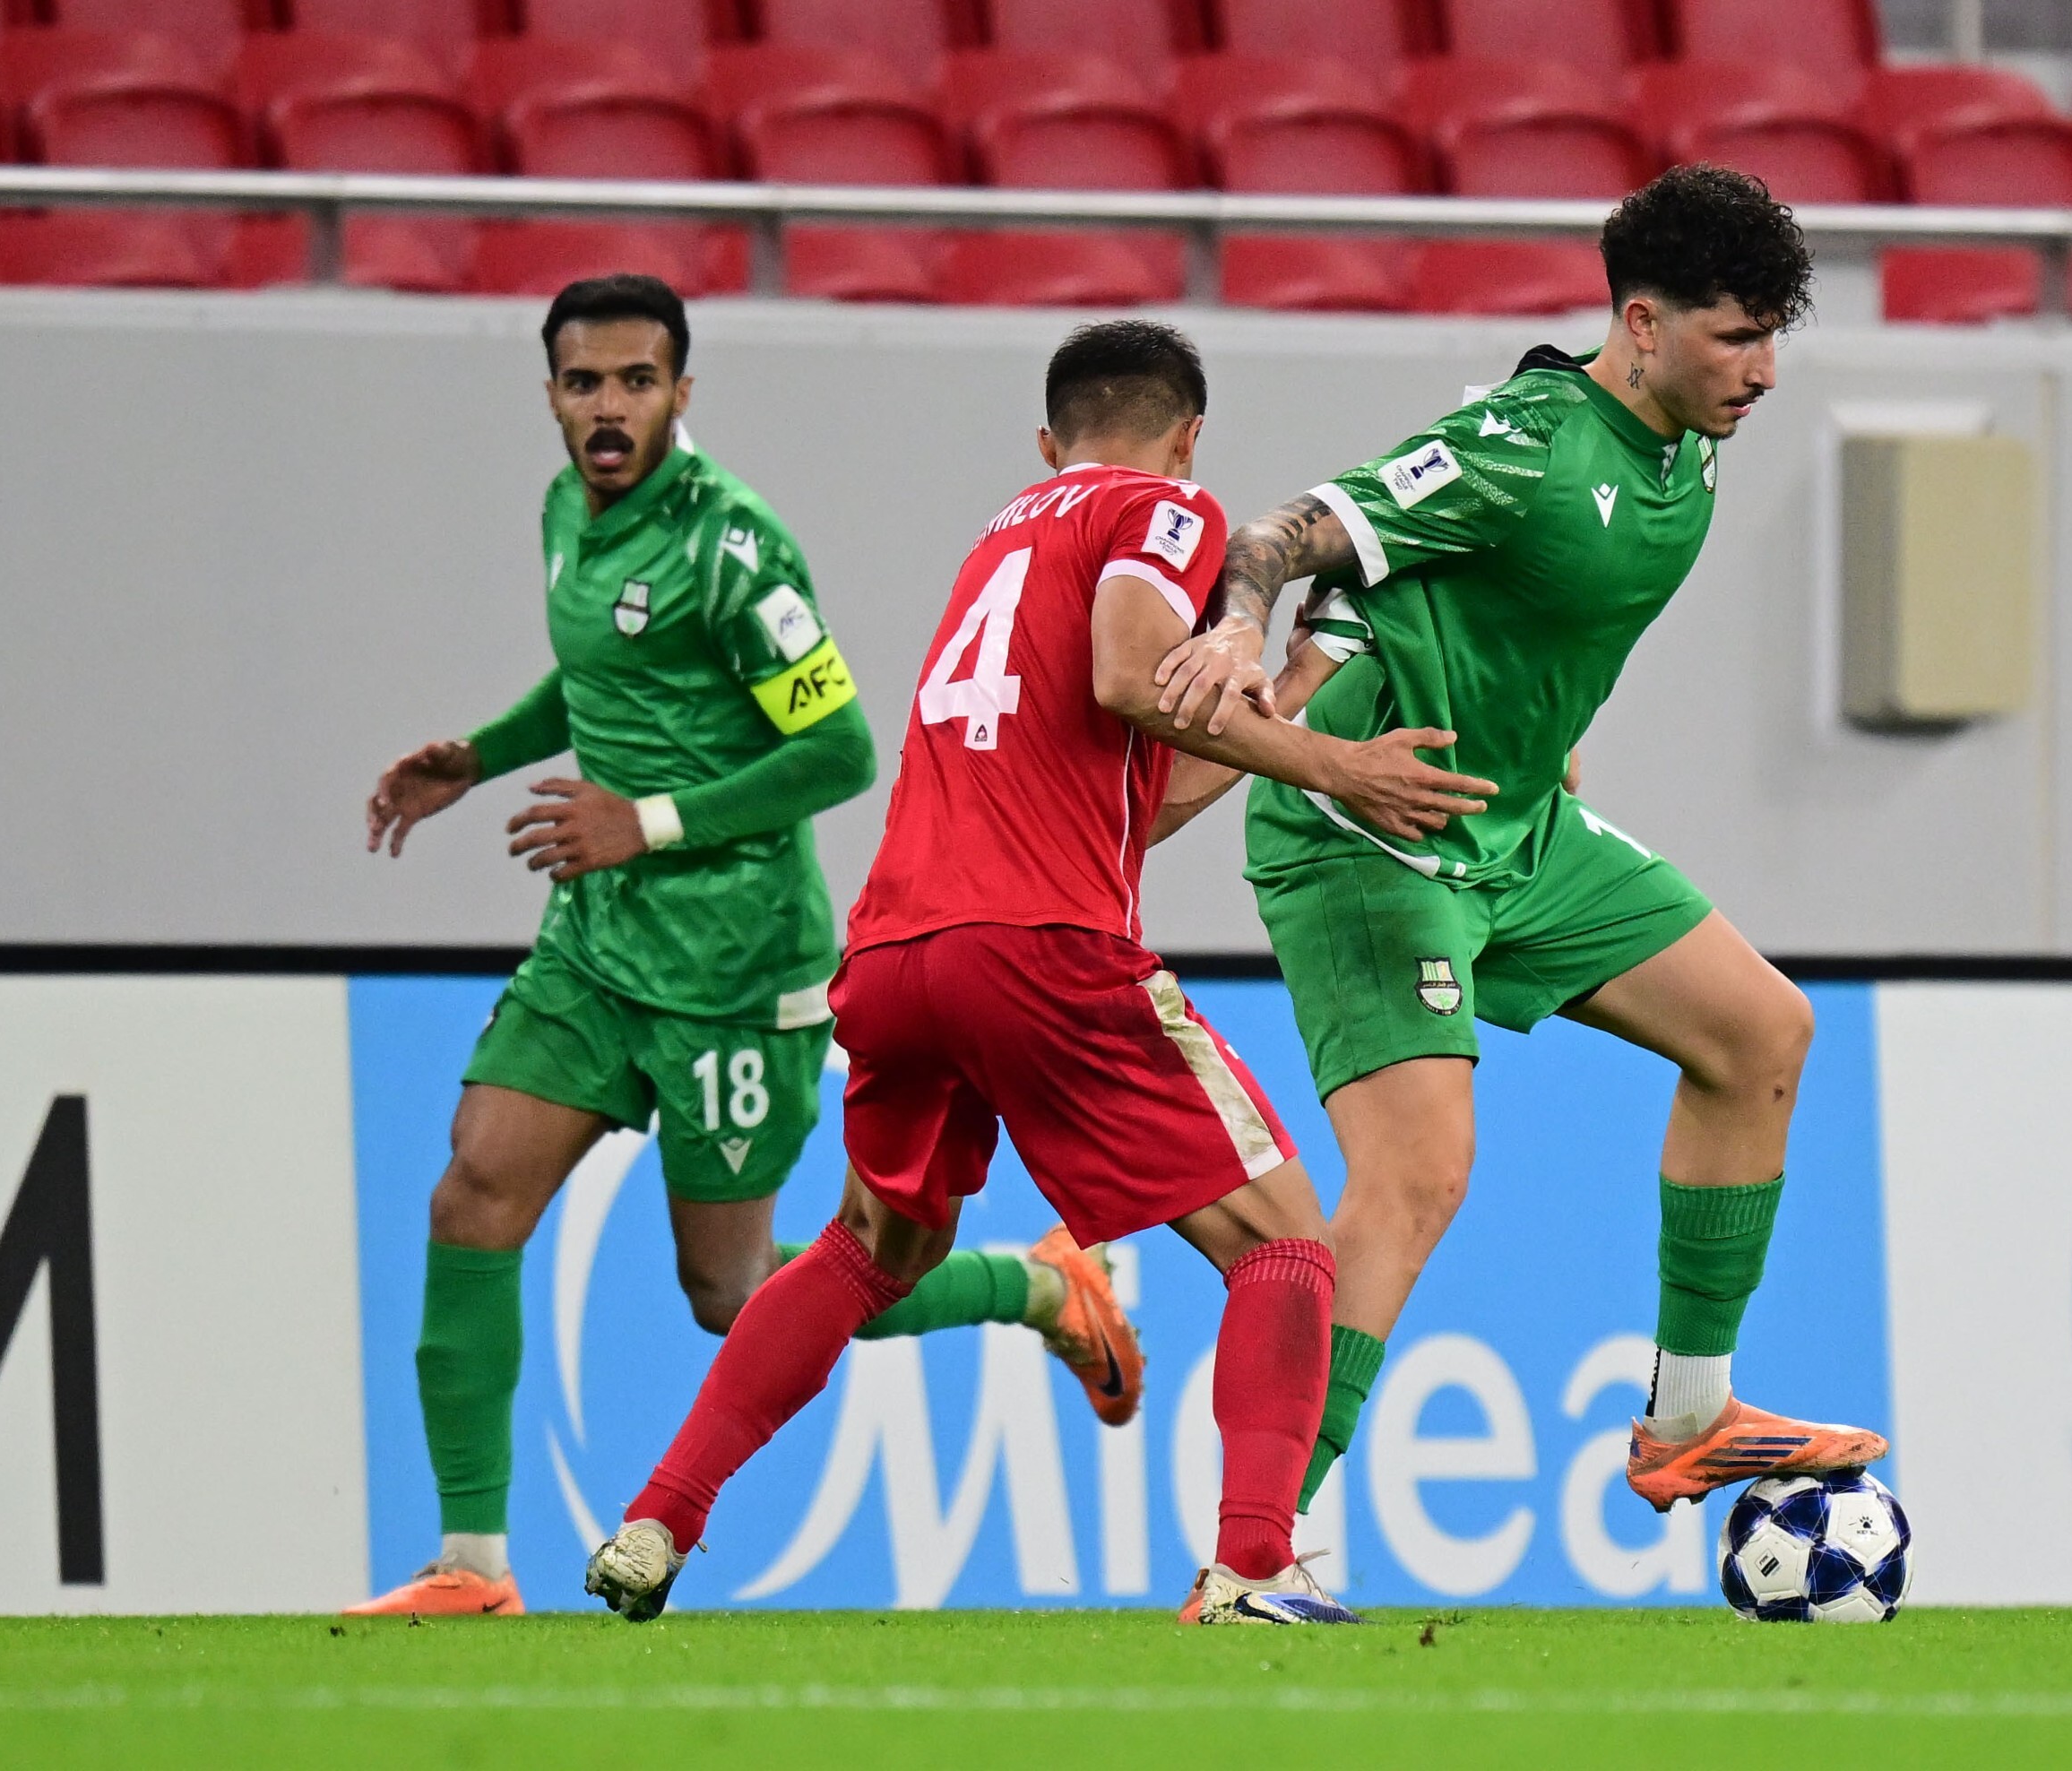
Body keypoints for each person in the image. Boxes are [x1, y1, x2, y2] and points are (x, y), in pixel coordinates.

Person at [580, 320, 1493, 1627]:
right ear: (1189, 437)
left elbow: (1136, 803)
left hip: (898, 950)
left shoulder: (1002, 542)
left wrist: (1289, 695)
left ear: (1047, 439)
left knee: (869, 1248)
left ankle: (658, 1520)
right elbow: (1127, 674)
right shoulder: (1165, 510)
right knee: (1288, 1241)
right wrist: (1339, 767)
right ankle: (1252, 1567)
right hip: (1043, 948)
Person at [352, 275, 1141, 1618]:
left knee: (730, 1291)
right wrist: (480, 756)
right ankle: (472, 1566)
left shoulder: (733, 550)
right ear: (551, 395)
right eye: (585, 383)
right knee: (471, 1197)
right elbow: (605, 678)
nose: (609, 408)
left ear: (681, 392)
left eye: (636, 381)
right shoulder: (565, 515)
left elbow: (838, 751)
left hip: (733, 966)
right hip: (596, 948)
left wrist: (645, 821)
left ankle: (1036, 1287)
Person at [1153, 167, 1891, 1526]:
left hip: (1521, 824)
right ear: (1641, 323)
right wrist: (1242, 626)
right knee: (1417, 1176)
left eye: (1773, 337)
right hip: (1372, 826)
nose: (1765, 372)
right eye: (1736, 338)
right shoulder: (1520, 441)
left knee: (1761, 1034)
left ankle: (1688, 1418)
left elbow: (1521, 612)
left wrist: (1543, 735)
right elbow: (1280, 533)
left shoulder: (1689, 443)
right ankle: (1261, 1550)